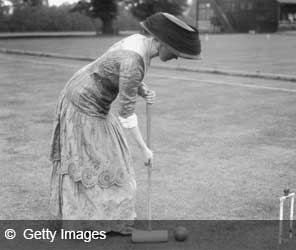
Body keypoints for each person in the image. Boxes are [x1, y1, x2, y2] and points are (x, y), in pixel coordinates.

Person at [49, 12, 201, 233]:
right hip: (83, 101)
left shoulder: (139, 43)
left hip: (91, 95)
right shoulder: (134, 61)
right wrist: (144, 149)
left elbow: (118, 72)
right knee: (97, 161)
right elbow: (126, 114)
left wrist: (142, 89)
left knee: (112, 161)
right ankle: (88, 219)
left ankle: (103, 216)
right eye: (177, 52)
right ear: (163, 43)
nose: (177, 57)